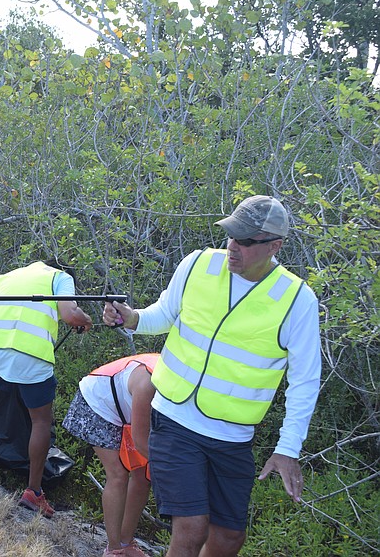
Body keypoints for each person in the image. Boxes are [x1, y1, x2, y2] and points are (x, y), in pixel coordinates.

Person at [103, 195, 321, 557]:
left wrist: (287, 449)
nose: (233, 246)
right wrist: (133, 318)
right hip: (173, 418)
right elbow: (164, 313)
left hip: (232, 437)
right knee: (190, 528)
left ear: (275, 246)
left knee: (229, 538)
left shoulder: (297, 299)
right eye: (231, 235)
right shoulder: (199, 264)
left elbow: (305, 380)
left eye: (246, 241)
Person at [0, 261, 93, 518]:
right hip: (32, 357)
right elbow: (71, 314)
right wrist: (85, 319)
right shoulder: (61, 278)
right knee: (40, 419)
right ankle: (33, 492)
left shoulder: (10, 275)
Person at [62, 354, 158, 556]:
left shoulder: (187, 383)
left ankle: (126, 542)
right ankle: (113, 549)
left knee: (143, 477)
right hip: (97, 402)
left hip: (125, 409)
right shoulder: (148, 383)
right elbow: (141, 442)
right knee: (118, 474)